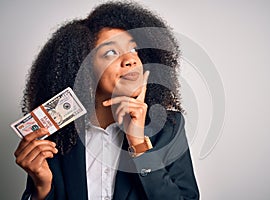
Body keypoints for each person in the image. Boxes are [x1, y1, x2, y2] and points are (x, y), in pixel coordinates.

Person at [14, 1, 199, 200]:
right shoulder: (59, 136)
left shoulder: (169, 127)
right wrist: (42, 189)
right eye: (111, 52)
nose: (131, 59)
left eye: (134, 50)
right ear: (83, 67)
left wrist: (138, 143)